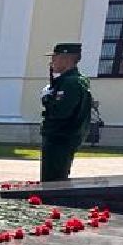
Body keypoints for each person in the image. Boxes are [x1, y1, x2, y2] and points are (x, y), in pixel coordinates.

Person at [40, 41, 93, 182]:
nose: (52, 62)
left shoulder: (70, 83)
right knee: (55, 179)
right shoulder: (73, 80)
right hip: (64, 138)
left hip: (59, 138)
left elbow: (61, 112)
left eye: (55, 58)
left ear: (66, 59)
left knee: (52, 181)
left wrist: (47, 99)